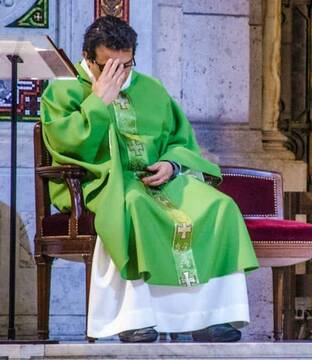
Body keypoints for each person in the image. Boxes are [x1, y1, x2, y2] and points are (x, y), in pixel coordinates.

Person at [40, 15, 259, 343]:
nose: (120, 74)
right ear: (88, 58)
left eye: (126, 65)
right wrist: (98, 100)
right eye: (109, 66)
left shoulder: (151, 89)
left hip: (162, 181)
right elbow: (66, 143)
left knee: (220, 207)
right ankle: (136, 319)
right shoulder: (63, 91)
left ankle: (211, 317)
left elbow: (179, 139)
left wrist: (172, 164)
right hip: (102, 183)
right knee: (136, 207)